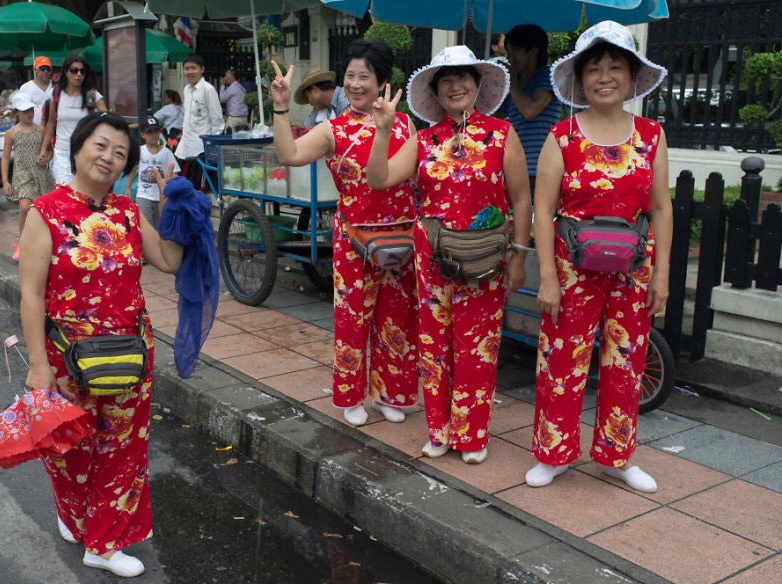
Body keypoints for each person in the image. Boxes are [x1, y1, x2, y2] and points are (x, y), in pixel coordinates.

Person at [19, 111, 183, 577]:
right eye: (101, 145)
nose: (109, 157)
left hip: (130, 353)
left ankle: (105, 544)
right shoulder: (45, 212)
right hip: (67, 358)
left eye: (120, 152)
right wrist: (38, 365)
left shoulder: (128, 211)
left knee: (123, 448)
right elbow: (31, 294)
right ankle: (75, 516)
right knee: (69, 448)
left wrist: (181, 214)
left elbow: (167, 260)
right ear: (78, 147)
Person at [525, 21, 672, 492]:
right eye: (594, 68)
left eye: (615, 67)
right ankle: (554, 453)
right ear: (580, 79)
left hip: (634, 269)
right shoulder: (563, 135)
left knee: (626, 363)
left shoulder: (651, 135)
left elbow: (661, 207)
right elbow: (544, 209)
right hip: (571, 269)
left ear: (631, 76)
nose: (604, 77)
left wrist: (662, 275)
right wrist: (548, 277)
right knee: (561, 361)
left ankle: (617, 456)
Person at [366, 46, 532, 463]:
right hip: (432, 258)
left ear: (477, 84)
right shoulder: (424, 140)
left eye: (463, 77)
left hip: (486, 257)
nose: (455, 86)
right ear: (436, 92)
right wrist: (383, 131)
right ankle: (439, 430)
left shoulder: (502, 133)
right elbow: (379, 178)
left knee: (479, 346)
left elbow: (522, 199)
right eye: (446, 80)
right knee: (434, 344)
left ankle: (472, 435)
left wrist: (519, 256)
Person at [271, 39, 419, 427]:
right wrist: (281, 105)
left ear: (382, 81)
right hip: (354, 238)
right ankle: (352, 395)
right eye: (350, 76)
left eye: (364, 77)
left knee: (396, 319)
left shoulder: (404, 123)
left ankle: (390, 394)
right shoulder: (332, 130)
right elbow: (289, 155)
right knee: (353, 319)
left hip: (403, 238)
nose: (354, 84)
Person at [502, 24, 562, 194]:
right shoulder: (516, 84)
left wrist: (511, 82)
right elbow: (496, 117)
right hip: (515, 167)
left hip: (542, 168)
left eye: (513, 51)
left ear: (533, 51)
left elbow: (530, 110)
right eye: (508, 53)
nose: (509, 58)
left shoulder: (548, 76)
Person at [1, 93, 54, 259]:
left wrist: (46, 158)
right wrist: (5, 181)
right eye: (25, 111)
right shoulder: (11, 133)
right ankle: (22, 244)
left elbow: (50, 151)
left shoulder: (41, 130)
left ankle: (40, 242)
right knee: (25, 207)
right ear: (17, 112)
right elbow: (5, 157)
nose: (29, 114)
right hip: (22, 173)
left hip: (41, 173)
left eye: (31, 110)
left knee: (41, 210)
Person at [38, 55, 107, 184]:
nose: (78, 74)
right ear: (66, 72)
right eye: (74, 70)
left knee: (83, 191)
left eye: (82, 71)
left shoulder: (89, 94)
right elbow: (51, 123)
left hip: (85, 151)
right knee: (64, 189)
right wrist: (43, 149)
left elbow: (105, 117)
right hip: (62, 152)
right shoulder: (56, 93)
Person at [175, 54, 223, 189]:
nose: (190, 71)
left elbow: (218, 121)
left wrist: (211, 148)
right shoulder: (186, 90)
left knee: (196, 188)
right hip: (184, 147)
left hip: (201, 149)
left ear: (202, 69)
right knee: (179, 185)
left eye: (193, 68)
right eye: (187, 68)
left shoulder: (208, 90)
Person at [126, 116, 180, 226]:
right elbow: (133, 169)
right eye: (149, 132)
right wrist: (128, 187)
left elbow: (175, 173)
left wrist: (171, 186)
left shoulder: (167, 153)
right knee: (145, 225)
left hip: (162, 196)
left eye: (156, 131)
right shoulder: (140, 151)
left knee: (160, 225)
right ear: (143, 135)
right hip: (143, 195)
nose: (153, 135)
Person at [17, 55, 54, 126]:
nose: (46, 71)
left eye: (48, 69)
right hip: (31, 128)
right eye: (42, 68)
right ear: (35, 69)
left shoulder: (56, 87)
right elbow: (19, 109)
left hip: (52, 128)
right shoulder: (25, 88)